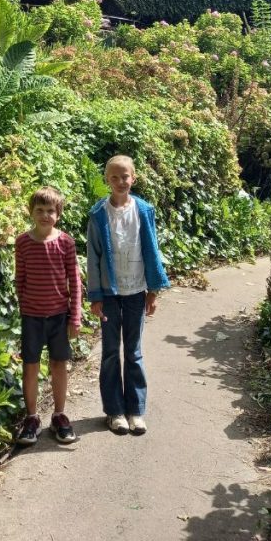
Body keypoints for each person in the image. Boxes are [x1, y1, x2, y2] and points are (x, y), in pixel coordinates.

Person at [86, 155, 170, 435]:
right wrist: (96, 296)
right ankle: (114, 411)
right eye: (114, 177)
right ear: (107, 180)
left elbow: (152, 249)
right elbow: (94, 257)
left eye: (125, 176)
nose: (120, 181)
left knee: (133, 352)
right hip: (110, 294)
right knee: (111, 352)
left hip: (136, 291)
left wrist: (153, 290)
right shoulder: (98, 215)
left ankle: (136, 410)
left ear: (134, 177)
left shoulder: (144, 210)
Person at [14, 186, 82, 446]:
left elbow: (74, 281)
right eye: (39, 210)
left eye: (50, 210)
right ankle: (32, 418)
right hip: (31, 317)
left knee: (58, 365)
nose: (45, 215)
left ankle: (59, 415)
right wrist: (25, 306)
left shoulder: (65, 242)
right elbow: (20, 279)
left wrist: (75, 316)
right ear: (31, 212)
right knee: (30, 366)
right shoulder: (22, 242)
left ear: (59, 214)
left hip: (58, 316)